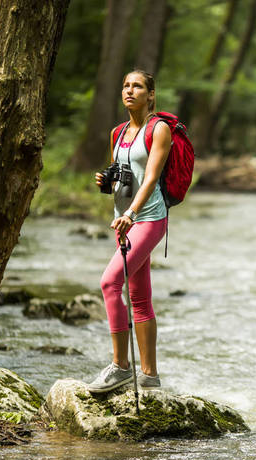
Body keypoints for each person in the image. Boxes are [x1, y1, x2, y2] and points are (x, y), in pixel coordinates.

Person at [87, 70, 171, 393]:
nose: (129, 91)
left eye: (137, 86)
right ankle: (149, 374)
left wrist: (132, 214)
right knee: (139, 297)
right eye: (125, 85)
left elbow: (150, 178)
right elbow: (125, 177)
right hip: (123, 220)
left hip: (148, 220)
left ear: (151, 95)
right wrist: (106, 182)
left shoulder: (159, 130)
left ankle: (121, 366)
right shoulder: (118, 133)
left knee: (109, 282)